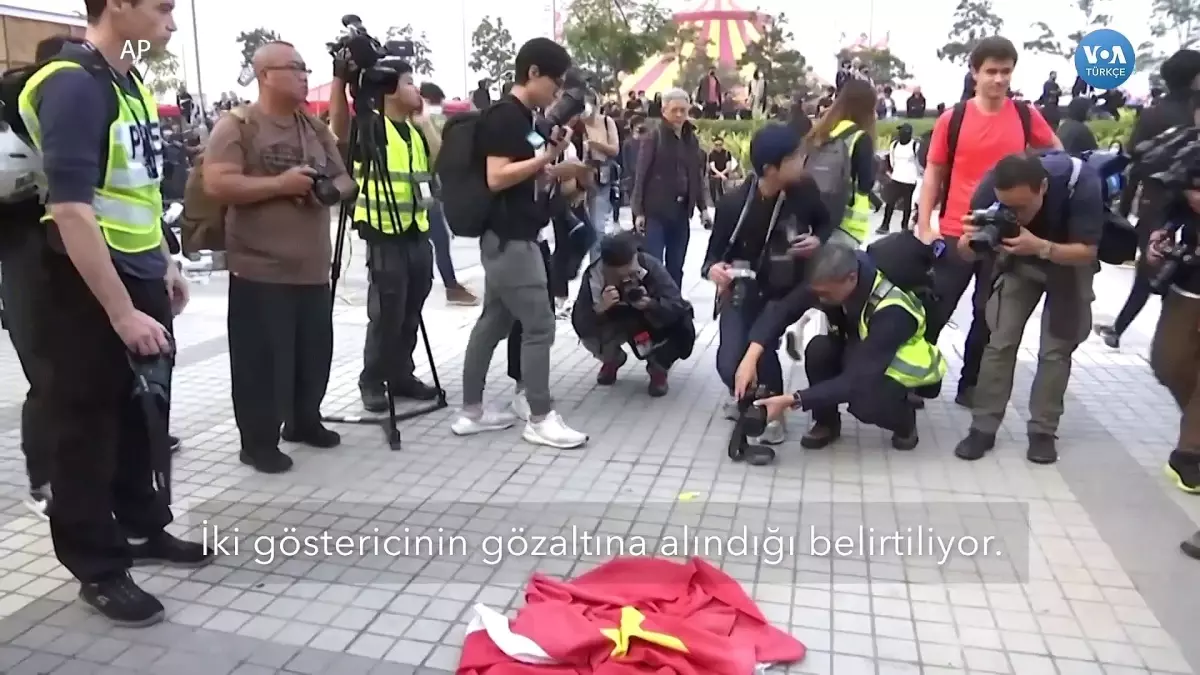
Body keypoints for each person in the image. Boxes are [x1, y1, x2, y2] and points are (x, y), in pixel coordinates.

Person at [19, 0, 215, 625]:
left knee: (143, 415)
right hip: (85, 287)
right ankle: (98, 569)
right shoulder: (72, 86)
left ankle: (142, 525)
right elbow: (72, 212)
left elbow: (141, 190)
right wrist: (122, 312)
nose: (173, 22)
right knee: (85, 430)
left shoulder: (125, 82)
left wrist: (167, 264)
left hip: (139, 273)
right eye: (162, 7)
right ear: (121, 4)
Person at [204, 42, 357, 473]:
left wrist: (328, 190)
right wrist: (280, 186)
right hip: (259, 267)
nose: (305, 76)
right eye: (294, 68)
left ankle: (304, 420)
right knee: (261, 362)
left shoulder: (312, 127)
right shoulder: (238, 125)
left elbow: (345, 178)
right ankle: (257, 441)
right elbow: (218, 184)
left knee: (313, 352)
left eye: (306, 68)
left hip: (311, 267)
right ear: (264, 74)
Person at [450, 38, 588, 449]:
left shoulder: (522, 119)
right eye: (555, 82)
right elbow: (497, 176)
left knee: (494, 321)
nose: (558, 93)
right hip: (512, 240)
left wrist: (555, 158)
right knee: (540, 324)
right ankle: (541, 417)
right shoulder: (506, 117)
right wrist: (548, 160)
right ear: (532, 73)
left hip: (510, 237)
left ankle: (471, 412)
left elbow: (523, 174)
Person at [916, 36, 1059, 408]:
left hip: (1004, 233)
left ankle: (971, 384)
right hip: (955, 228)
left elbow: (1057, 157)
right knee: (936, 306)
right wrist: (924, 223)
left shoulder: (1026, 116)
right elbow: (934, 172)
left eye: (1005, 71)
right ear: (975, 73)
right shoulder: (955, 118)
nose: (998, 79)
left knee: (987, 313)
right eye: (991, 71)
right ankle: (918, 375)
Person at [952, 151, 1102, 464]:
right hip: (1019, 263)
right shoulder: (991, 187)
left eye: (1021, 207)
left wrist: (1042, 246)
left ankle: (1043, 431)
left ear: (1043, 187)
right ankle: (983, 427)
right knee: (999, 342)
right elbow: (966, 254)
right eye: (1006, 207)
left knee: (1055, 350)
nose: (1014, 215)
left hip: (1067, 261)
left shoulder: (1080, 182)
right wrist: (969, 243)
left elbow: (1087, 252)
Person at [327, 58, 445, 413]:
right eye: (409, 83)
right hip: (382, 232)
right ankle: (373, 379)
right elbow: (341, 129)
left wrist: (425, 122)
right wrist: (341, 81)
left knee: (412, 308)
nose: (417, 90)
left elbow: (440, 159)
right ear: (390, 90)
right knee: (387, 312)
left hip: (415, 231)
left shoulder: (413, 130)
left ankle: (401, 373)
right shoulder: (373, 127)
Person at [705, 124, 831, 445]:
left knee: (762, 345)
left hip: (784, 290)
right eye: (795, 157)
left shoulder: (805, 191)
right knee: (729, 362)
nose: (803, 160)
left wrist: (817, 240)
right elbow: (712, 257)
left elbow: (826, 222)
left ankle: (771, 408)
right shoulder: (733, 204)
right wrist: (714, 271)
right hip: (742, 289)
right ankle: (749, 398)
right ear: (770, 169)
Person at [755, 243, 945, 450]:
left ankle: (904, 420)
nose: (820, 299)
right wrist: (752, 355)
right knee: (819, 348)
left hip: (893, 366)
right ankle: (827, 422)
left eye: (825, 294)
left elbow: (857, 380)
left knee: (864, 403)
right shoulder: (832, 277)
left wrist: (794, 400)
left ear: (852, 278)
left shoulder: (892, 313)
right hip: (862, 347)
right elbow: (785, 308)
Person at [1097, 49, 1200, 349]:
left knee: (1152, 270)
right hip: (1186, 212)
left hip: (1155, 207)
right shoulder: (1192, 114)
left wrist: (1125, 207)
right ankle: (1173, 337)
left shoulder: (1154, 113)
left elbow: (1134, 164)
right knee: (1179, 275)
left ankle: (1121, 329)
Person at [572, 234, 695, 396]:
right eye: (621, 277)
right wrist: (600, 308)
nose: (628, 281)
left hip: (647, 320)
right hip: (615, 321)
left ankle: (658, 365)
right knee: (587, 332)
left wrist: (652, 304)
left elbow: (677, 304)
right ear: (606, 268)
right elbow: (579, 321)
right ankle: (612, 358)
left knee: (684, 325)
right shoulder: (594, 276)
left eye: (632, 274)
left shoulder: (650, 265)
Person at [1143, 169, 1200, 493]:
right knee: (1167, 363)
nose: (1196, 198)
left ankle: (1189, 452)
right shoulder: (1183, 168)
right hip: (1186, 289)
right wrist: (1157, 240)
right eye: (1193, 190)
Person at [632, 88, 713, 287]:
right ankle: (653, 305)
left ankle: (673, 304)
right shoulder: (654, 137)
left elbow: (696, 176)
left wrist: (703, 209)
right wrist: (638, 212)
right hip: (656, 211)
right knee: (654, 264)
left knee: (676, 265)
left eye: (683, 110)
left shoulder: (691, 139)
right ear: (664, 110)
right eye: (674, 110)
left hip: (681, 211)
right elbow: (640, 175)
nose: (679, 115)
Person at [418, 82, 480, 306]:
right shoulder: (420, 123)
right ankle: (450, 286)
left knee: (439, 240)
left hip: (428, 190)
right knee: (437, 240)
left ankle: (450, 285)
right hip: (420, 192)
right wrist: (425, 123)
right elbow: (438, 153)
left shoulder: (427, 121)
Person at [804, 78, 877, 245]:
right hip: (847, 225)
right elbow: (865, 185)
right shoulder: (860, 137)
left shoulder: (822, 131)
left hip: (817, 220)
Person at [581, 95, 620, 260]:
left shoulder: (606, 122)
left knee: (598, 226)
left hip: (601, 176)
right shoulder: (576, 124)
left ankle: (596, 266)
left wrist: (595, 145)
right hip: (579, 177)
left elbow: (615, 149)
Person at [878, 123, 919, 234]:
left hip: (910, 180)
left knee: (907, 205)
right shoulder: (894, 145)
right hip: (896, 178)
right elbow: (892, 161)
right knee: (890, 202)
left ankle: (904, 227)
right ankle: (885, 225)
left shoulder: (915, 145)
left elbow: (918, 162)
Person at [707, 136, 734, 204]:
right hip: (714, 176)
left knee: (723, 194)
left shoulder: (727, 153)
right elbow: (712, 167)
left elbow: (728, 167)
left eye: (720, 145)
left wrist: (722, 175)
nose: (718, 147)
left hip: (724, 178)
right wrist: (721, 175)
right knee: (714, 194)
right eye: (716, 145)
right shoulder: (712, 154)